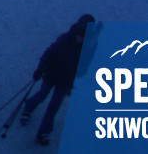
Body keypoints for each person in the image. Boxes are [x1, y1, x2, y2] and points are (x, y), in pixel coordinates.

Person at [19, 14, 95, 146]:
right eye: (79, 35)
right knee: (42, 95)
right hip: (51, 75)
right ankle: (28, 107)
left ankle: (44, 132)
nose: (80, 39)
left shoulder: (88, 47)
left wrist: (75, 80)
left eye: (84, 36)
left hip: (66, 81)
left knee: (54, 107)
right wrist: (40, 69)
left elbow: (84, 65)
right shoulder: (64, 39)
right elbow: (49, 53)